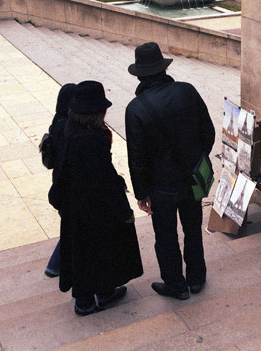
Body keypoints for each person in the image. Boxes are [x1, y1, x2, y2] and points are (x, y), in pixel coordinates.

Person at [125, 42, 215, 300]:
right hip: (190, 180)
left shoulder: (136, 109)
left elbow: (137, 159)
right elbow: (207, 132)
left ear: (140, 75)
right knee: (193, 229)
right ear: (163, 68)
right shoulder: (187, 91)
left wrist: (141, 193)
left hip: (161, 186)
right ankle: (197, 279)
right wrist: (197, 160)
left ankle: (176, 285)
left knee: (165, 237)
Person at [48, 81, 143, 316]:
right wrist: (124, 210)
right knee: (99, 249)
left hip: (71, 204)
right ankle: (87, 301)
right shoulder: (93, 140)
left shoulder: (63, 128)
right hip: (93, 207)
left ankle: (97, 294)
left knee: (81, 250)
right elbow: (104, 179)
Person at [43, 83, 77, 278]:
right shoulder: (67, 128)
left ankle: (55, 265)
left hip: (60, 185)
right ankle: (55, 265)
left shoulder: (57, 122)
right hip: (68, 188)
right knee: (73, 228)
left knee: (71, 226)